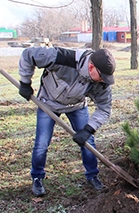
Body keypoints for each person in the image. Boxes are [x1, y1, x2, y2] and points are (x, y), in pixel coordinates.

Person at [18, 46, 116, 196]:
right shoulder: (62, 57)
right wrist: (25, 83)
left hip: (76, 106)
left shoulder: (102, 83)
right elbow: (28, 55)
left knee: (88, 142)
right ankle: (37, 177)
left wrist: (88, 129)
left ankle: (93, 176)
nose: (104, 81)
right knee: (41, 144)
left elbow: (104, 109)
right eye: (102, 76)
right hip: (48, 103)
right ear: (91, 67)